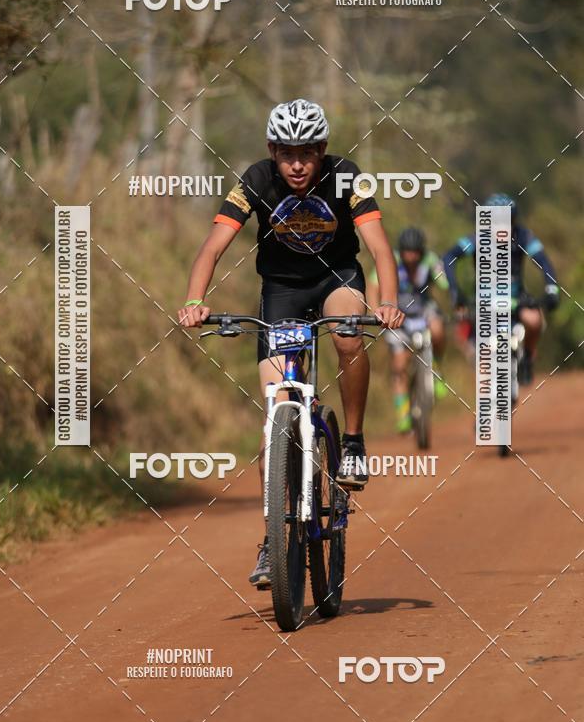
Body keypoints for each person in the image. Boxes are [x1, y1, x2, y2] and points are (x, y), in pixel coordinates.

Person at [178, 99, 404, 588]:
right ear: (272, 152)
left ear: (322, 150)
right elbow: (212, 246)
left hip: (337, 279)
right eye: (286, 153)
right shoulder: (256, 180)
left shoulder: (348, 175)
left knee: (347, 334)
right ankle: (272, 537)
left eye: (306, 152)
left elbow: (380, 247)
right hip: (280, 291)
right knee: (276, 409)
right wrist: (196, 300)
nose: (297, 164)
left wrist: (386, 302)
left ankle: (354, 442)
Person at [443, 193, 560, 383]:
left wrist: (551, 289)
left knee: (535, 321)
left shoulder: (523, 236)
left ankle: (528, 358)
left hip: (516, 299)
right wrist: (456, 291)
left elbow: (544, 262)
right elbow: (449, 258)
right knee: (480, 354)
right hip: (484, 303)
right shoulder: (477, 238)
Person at [368, 227, 449, 434]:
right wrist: (374, 311)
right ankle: (403, 412)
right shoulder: (391, 260)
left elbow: (445, 283)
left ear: (421, 251)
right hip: (398, 316)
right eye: (407, 252)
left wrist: (445, 280)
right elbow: (373, 285)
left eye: (415, 252)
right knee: (399, 363)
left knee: (438, 328)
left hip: (423, 312)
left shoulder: (430, 261)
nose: (411, 257)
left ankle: (436, 367)